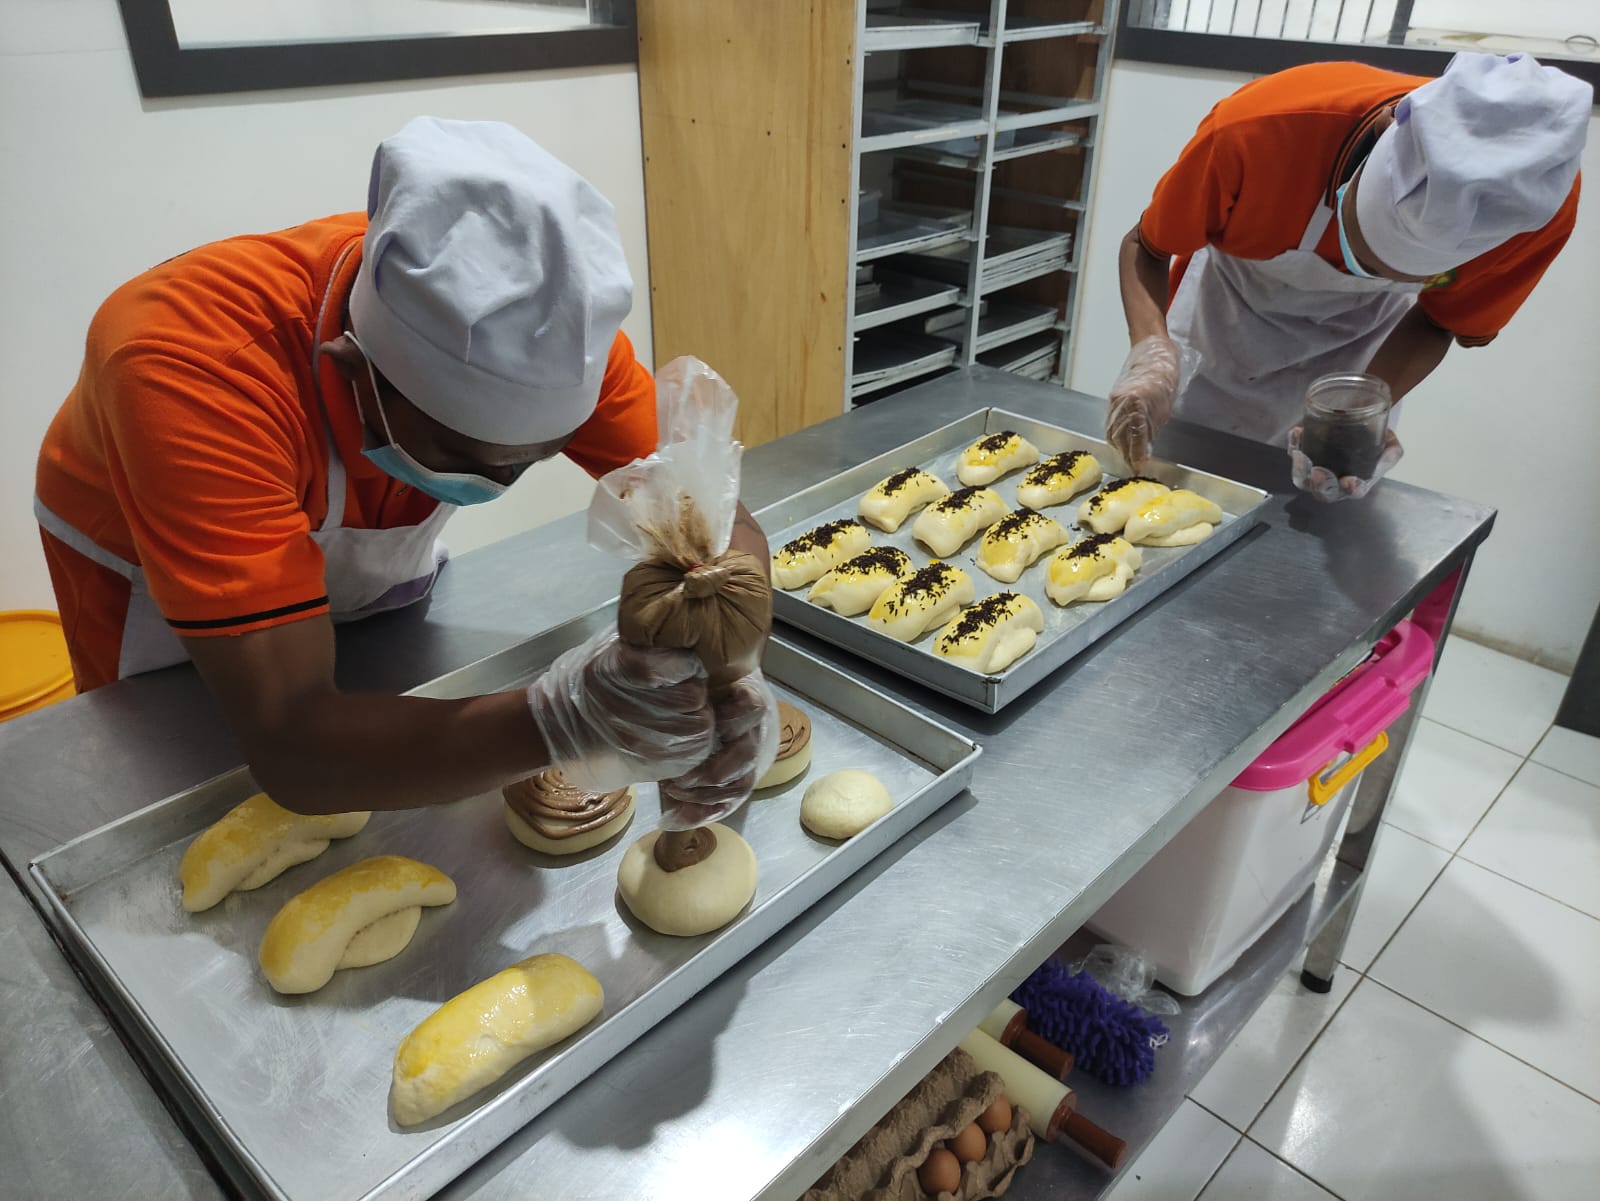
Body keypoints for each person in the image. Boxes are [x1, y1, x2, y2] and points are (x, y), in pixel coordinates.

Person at [34, 117, 774, 819]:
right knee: (183, 789)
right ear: (352, 372)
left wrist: (731, 658)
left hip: (354, 591)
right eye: (467, 459)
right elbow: (292, 747)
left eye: (531, 461)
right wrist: (564, 720)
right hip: (157, 603)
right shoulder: (190, 372)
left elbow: (717, 523)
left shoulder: (548, 335)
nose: (496, 484)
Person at [1106, 53, 1591, 500]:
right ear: (1380, 134)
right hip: (1224, 326)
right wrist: (1150, 353)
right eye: (1366, 249)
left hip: (1363, 349)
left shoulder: (1533, 210)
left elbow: (1438, 322)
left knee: (1316, 509)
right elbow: (1146, 246)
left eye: (1404, 271)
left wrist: (1359, 411)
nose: (1361, 271)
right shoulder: (1260, 130)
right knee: (1171, 485)